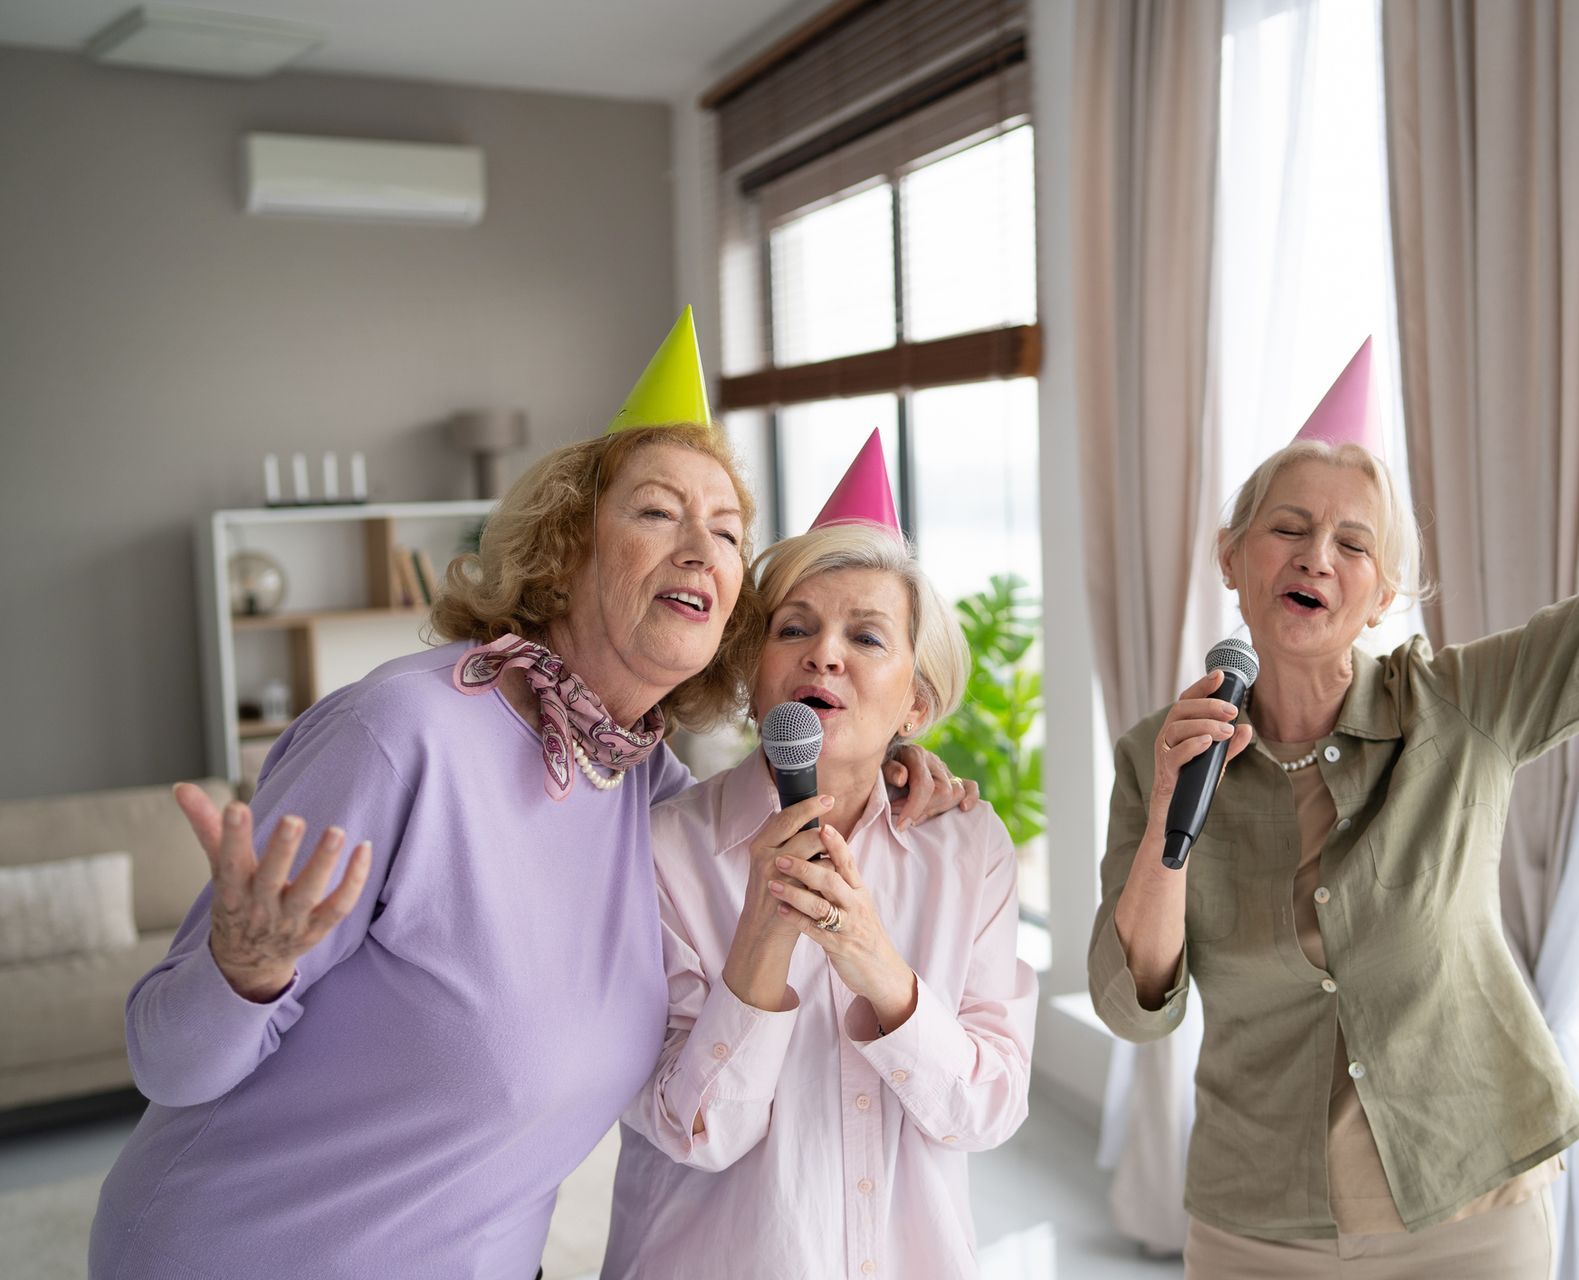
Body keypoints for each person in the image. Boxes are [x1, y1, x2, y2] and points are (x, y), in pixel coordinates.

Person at [90, 313, 970, 1279]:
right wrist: (241, 971)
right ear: (564, 549)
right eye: (656, 512)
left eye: (726, 533)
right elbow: (169, 1065)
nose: (701, 550)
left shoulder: (649, 791)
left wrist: (886, 766)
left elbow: (770, 802)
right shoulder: (400, 736)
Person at [1089, 134, 1579, 1277]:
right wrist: (1170, 833)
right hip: (1252, 1224)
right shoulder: (1156, 755)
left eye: (1352, 540)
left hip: (1471, 1212)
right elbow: (1138, 1009)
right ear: (1232, 555)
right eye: (1286, 525)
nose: (1314, 551)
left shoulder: (1459, 707)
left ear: (1379, 593)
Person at [602, 431, 1037, 1280]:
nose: (824, 652)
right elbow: (695, 1130)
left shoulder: (968, 850)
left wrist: (876, 964)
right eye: (793, 629)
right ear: (753, 677)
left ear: (915, 701)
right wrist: (764, 937)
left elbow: (986, 1111)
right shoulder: (663, 851)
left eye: (867, 637)